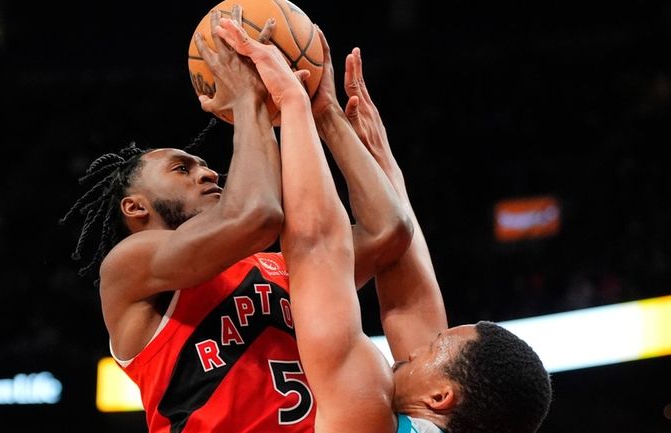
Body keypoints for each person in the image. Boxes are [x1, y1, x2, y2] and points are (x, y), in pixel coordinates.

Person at [60, 5, 409, 433]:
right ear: (135, 207)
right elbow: (257, 214)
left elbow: (389, 231)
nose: (208, 172)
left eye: (204, 164)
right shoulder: (130, 266)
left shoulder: (283, 266)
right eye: (181, 169)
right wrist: (251, 97)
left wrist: (326, 114)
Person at [213, 16, 552, 433]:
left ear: (440, 398)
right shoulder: (435, 417)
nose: (416, 350)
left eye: (433, 348)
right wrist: (341, 126)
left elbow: (316, 247)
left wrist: (293, 102)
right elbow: (408, 295)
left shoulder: (367, 417)